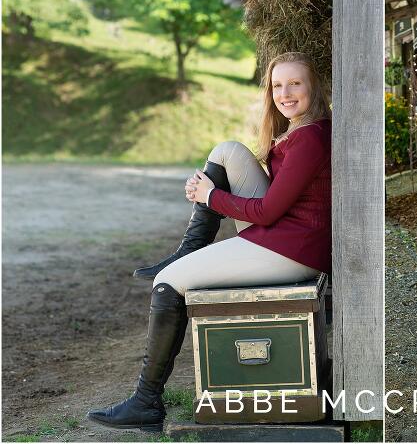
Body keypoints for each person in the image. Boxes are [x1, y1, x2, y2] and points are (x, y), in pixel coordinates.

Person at [87, 52, 332, 431]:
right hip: (287, 234)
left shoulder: (310, 137)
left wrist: (211, 196)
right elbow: (274, 201)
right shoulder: (301, 130)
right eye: (277, 85)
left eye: (295, 84)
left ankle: (146, 402)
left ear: (313, 86)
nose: (285, 93)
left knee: (166, 282)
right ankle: (188, 250)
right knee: (226, 151)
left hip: (293, 248)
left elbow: (268, 211)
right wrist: (210, 191)